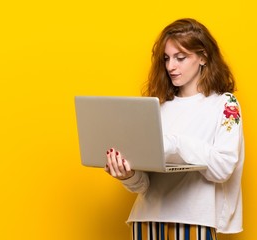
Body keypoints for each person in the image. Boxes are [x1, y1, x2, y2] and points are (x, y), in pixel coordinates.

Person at [105, 18, 245, 240]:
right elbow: (144, 186)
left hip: (195, 222)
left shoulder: (225, 104)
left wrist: (176, 143)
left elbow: (223, 167)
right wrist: (128, 174)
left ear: (203, 57)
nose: (171, 66)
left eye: (180, 58)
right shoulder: (157, 107)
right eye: (167, 58)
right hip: (145, 221)